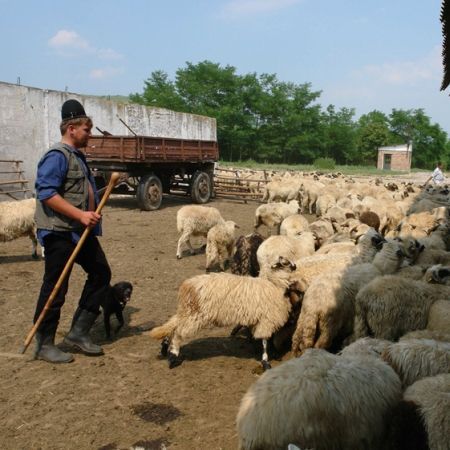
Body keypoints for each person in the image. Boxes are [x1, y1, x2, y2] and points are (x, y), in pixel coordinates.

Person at [32, 99, 111, 364]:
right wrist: (80, 214)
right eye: (86, 129)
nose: (89, 134)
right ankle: (44, 344)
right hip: (59, 231)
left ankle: (78, 332)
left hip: (80, 231)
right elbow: (46, 193)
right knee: (56, 287)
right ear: (71, 128)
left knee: (101, 273)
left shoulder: (77, 156)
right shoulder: (57, 156)